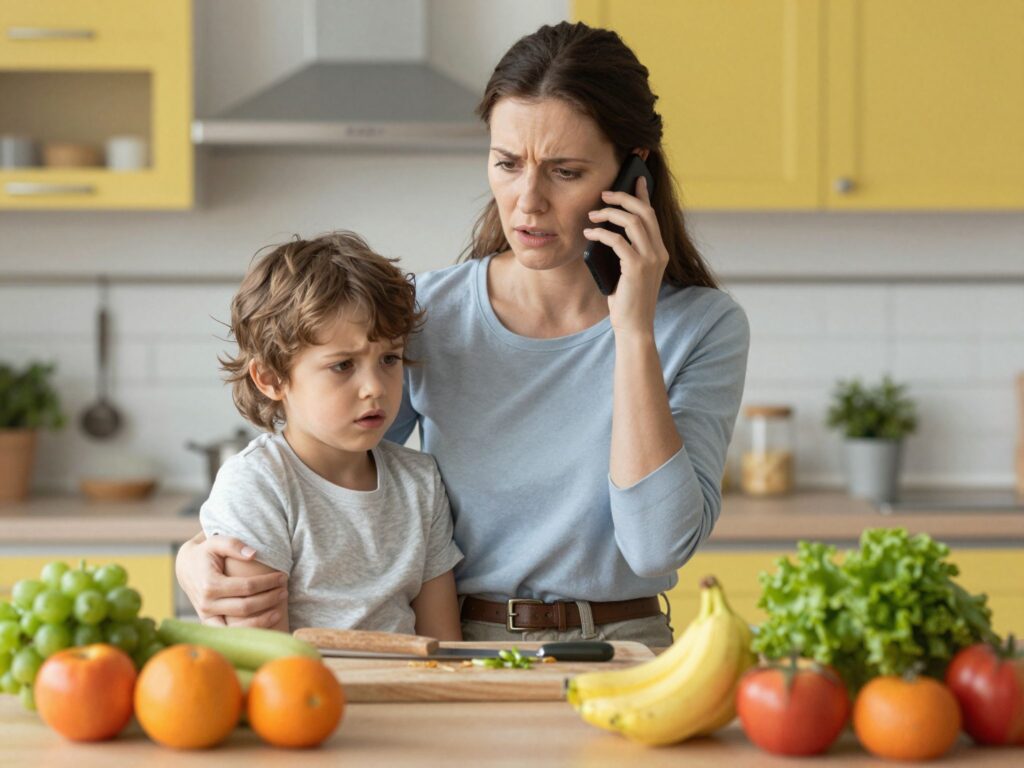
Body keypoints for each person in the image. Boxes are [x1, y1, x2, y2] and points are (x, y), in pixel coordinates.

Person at [176, 21, 749, 647]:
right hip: (461, 647)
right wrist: (195, 555)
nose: (526, 202)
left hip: (625, 648)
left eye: (565, 171)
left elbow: (655, 545)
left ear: (632, 171)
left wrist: (633, 330)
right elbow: (333, 475)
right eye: (507, 163)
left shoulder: (701, 328)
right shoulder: (430, 311)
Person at [196, 231, 463, 638]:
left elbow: (443, 649)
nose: (375, 387)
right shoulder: (258, 485)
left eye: (389, 358)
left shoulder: (420, 481)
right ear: (271, 379)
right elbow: (266, 661)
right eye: (343, 365)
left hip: (413, 697)